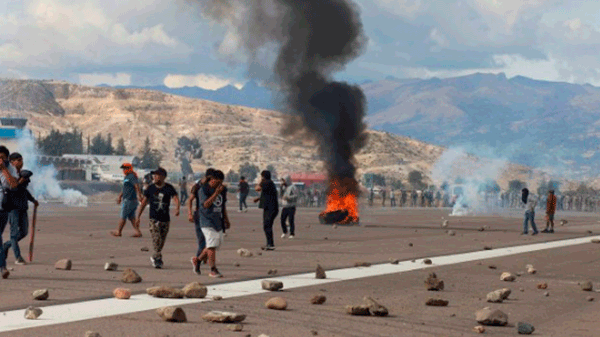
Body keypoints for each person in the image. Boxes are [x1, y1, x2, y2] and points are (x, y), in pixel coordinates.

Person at [135, 167, 179, 268]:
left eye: (157, 175)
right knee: (156, 238)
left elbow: (175, 198)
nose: (154, 177)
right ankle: (158, 258)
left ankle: (156, 256)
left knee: (162, 240)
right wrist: (138, 216)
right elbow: (144, 202)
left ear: (163, 177)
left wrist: (177, 208)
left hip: (165, 219)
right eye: (154, 175)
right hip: (153, 219)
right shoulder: (150, 188)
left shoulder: (169, 188)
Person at [2, 153, 38, 265]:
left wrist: (32, 200)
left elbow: (23, 191)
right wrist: (18, 183)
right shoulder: (7, 174)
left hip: (22, 206)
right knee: (14, 233)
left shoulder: (23, 174)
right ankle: (18, 258)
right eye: (18, 160)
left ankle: (6, 246)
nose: (21, 162)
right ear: (12, 162)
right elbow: (10, 189)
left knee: (24, 232)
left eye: (21, 159)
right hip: (12, 207)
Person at [194, 170, 228, 277]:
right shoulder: (203, 190)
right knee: (212, 246)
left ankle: (198, 260)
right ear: (211, 180)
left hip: (218, 221)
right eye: (217, 182)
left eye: (221, 183)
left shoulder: (223, 189)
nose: (219, 185)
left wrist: (226, 219)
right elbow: (206, 205)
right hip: (206, 221)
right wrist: (216, 193)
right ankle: (213, 269)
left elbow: (222, 205)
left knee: (212, 245)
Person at [0, 146, 18, 279]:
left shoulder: (10, 169)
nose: (0, 160)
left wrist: (4, 169)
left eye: (3, 158)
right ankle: (2, 267)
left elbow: (13, 184)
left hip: (3, 208)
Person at [111, 163, 143, 238]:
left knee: (123, 216)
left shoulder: (132, 176)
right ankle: (138, 232)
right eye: (123, 169)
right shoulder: (126, 177)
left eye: (125, 168)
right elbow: (125, 189)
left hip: (130, 200)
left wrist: (139, 195)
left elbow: (136, 186)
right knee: (132, 217)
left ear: (129, 168)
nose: (124, 170)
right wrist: (119, 196)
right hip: (127, 199)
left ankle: (118, 231)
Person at [255, 170, 278, 250]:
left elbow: (257, 189)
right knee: (267, 226)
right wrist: (258, 199)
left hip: (270, 208)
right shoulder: (270, 183)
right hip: (271, 208)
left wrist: (259, 182)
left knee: (267, 225)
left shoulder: (266, 182)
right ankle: (269, 243)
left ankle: (270, 244)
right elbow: (268, 194)